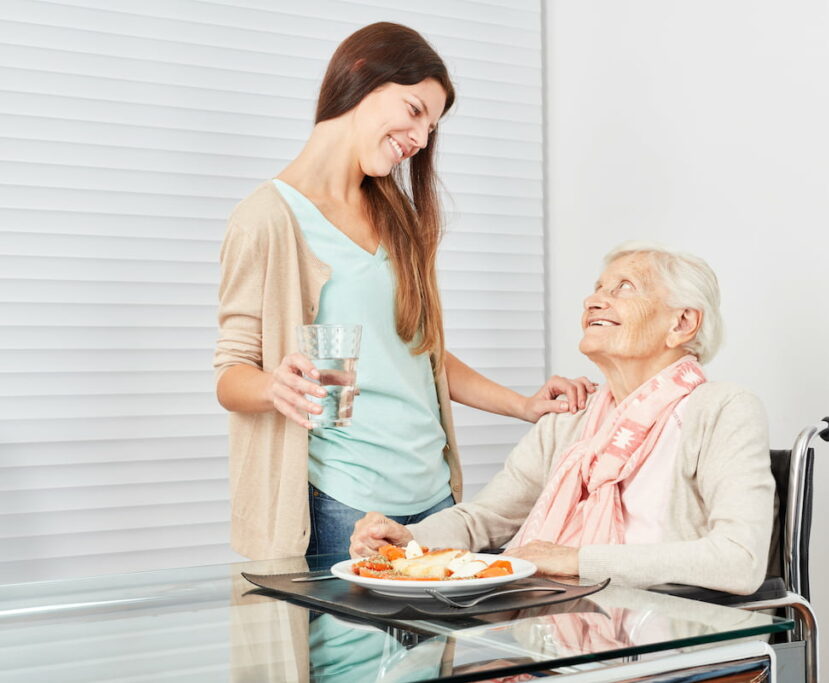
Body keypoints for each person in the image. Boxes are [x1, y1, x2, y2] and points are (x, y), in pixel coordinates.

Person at [214, 22, 593, 561]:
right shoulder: (266, 220)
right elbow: (230, 375)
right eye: (415, 111)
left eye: (430, 128)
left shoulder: (398, 217)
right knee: (346, 649)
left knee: (437, 648)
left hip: (437, 502)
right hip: (342, 503)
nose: (419, 139)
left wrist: (522, 405)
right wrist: (275, 387)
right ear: (361, 75)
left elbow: (421, 353)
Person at [350, 242, 776, 593]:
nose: (594, 300)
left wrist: (577, 559)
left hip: (658, 637)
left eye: (624, 287)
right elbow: (484, 517)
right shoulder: (572, 416)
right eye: (597, 288)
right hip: (551, 621)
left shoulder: (722, 409)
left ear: (682, 322)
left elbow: (740, 559)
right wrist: (411, 541)